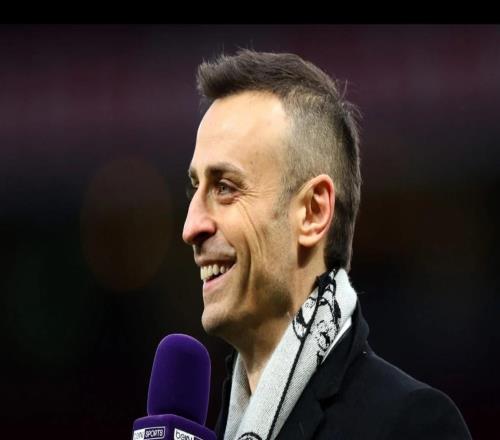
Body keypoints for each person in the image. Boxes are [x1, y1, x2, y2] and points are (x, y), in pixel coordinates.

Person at [182, 50, 471, 440]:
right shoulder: (218, 429)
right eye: (195, 188)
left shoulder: (411, 425)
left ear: (313, 212)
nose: (191, 227)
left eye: (225, 188)